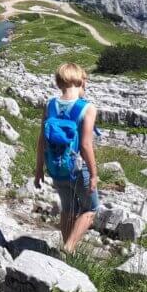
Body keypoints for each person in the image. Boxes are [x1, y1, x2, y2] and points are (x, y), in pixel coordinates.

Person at [34, 62, 100, 254]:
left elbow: (41, 141)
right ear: (81, 81)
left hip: (56, 166)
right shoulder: (87, 107)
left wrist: (39, 169)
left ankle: (64, 250)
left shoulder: (50, 105)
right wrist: (94, 174)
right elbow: (86, 145)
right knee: (90, 209)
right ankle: (69, 247)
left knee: (68, 208)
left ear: (59, 82)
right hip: (79, 168)